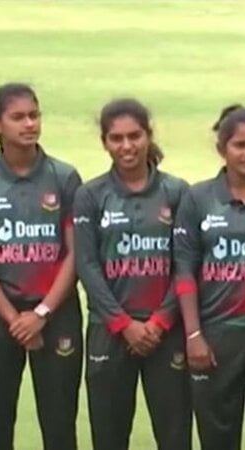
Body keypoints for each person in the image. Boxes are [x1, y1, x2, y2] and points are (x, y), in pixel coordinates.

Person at [0, 83, 82, 450]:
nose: (29, 124)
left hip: (56, 312)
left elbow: (75, 254)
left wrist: (41, 314)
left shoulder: (64, 178)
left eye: (34, 115)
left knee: (60, 428)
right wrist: (15, 319)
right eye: (18, 117)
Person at [74, 99, 191, 450]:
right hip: (110, 331)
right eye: (116, 138)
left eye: (135, 136)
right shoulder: (90, 195)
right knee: (109, 436)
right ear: (105, 142)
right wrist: (123, 324)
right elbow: (87, 265)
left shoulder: (177, 192)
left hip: (166, 331)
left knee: (175, 436)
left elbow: (185, 265)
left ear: (148, 135)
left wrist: (159, 321)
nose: (127, 146)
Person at [173, 105, 245, 450]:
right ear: (221, 148)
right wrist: (193, 334)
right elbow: (184, 270)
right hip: (215, 339)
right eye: (240, 145)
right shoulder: (198, 199)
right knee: (217, 439)